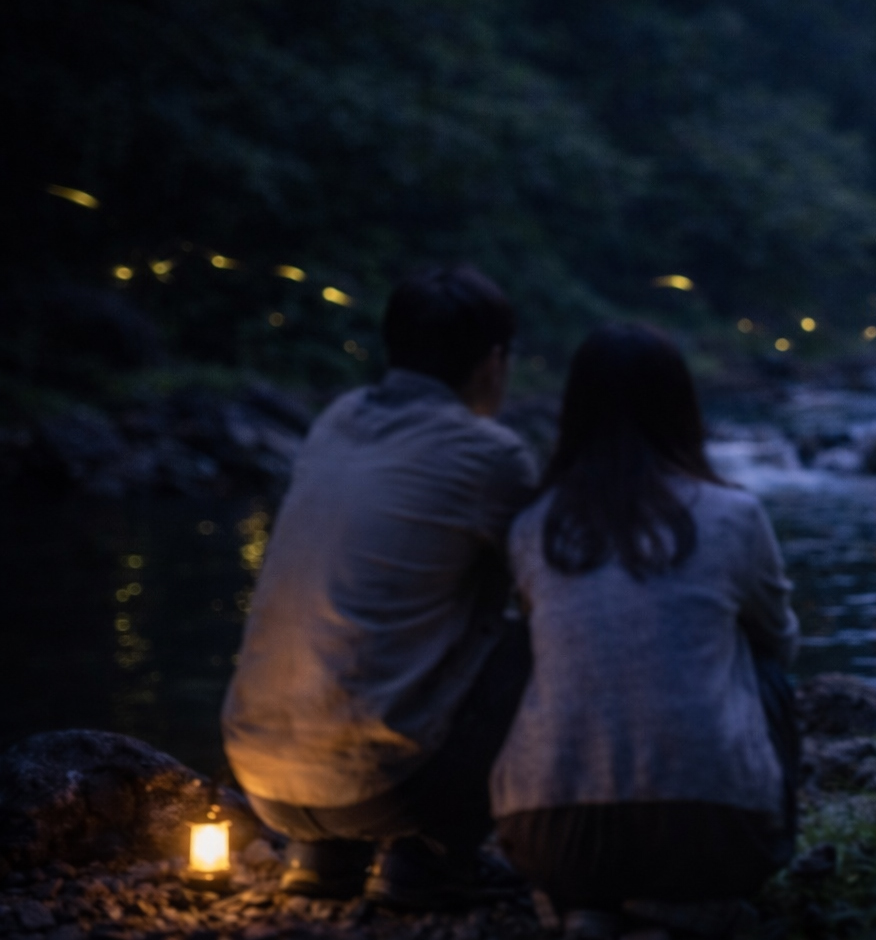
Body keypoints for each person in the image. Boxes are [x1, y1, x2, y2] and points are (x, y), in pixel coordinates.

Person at [221, 265, 538, 908]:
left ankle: (324, 856)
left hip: (260, 776)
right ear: (494, 362)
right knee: (546, 640)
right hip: (389, 789)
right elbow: (549, 593)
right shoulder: (491, 454)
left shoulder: (336, 418)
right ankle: (430, 858)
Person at [490, 323, 800, 940]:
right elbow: (780, 641)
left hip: (548, 837)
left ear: (573, 413)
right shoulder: (734, 514)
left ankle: (584, 907)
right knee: (765, 671)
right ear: (681, 408)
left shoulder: (532, 526)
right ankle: (683, 908)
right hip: (708, 835)